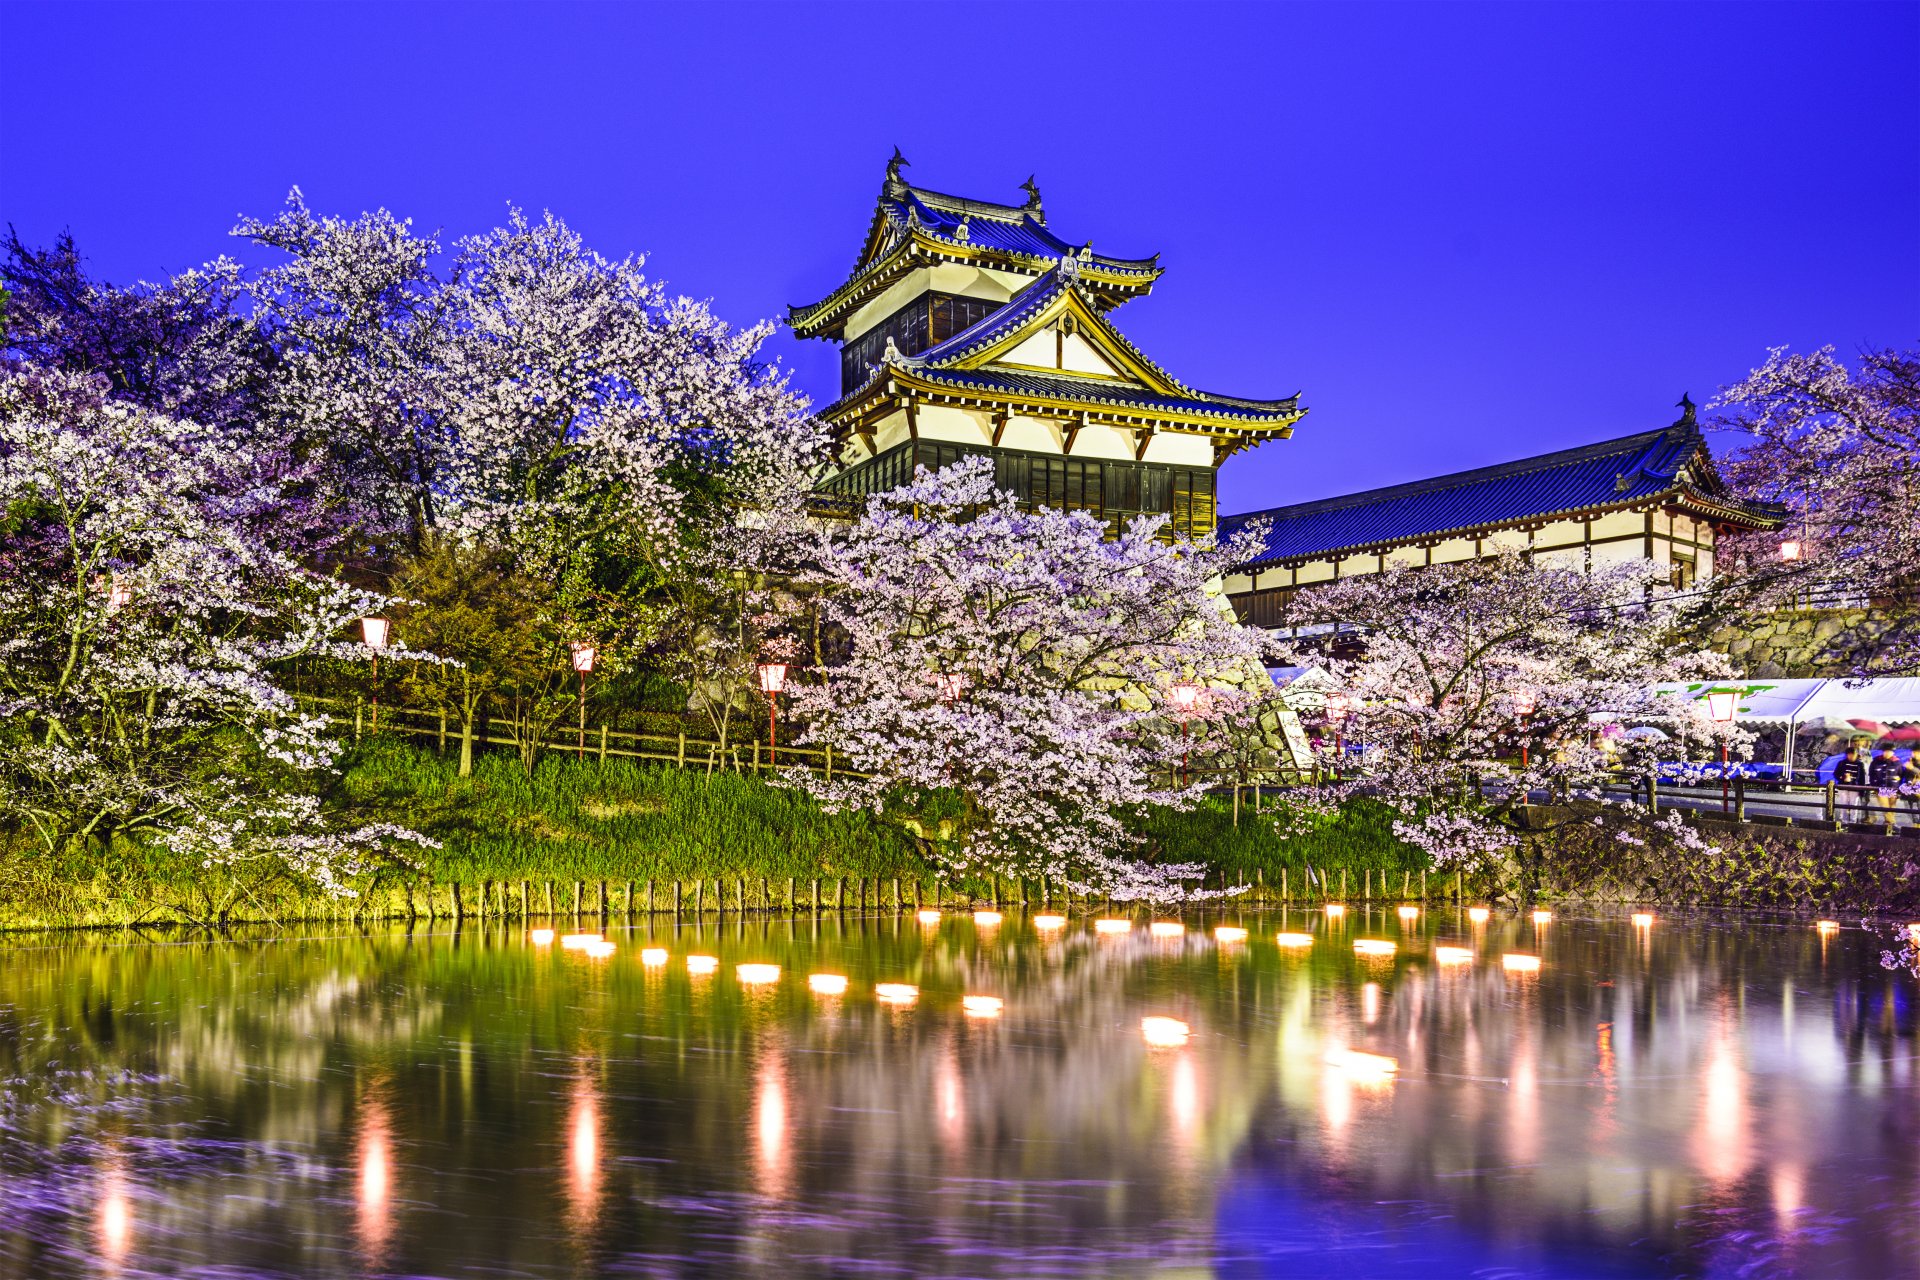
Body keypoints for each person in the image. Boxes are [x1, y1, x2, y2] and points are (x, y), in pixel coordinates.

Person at [1868, 744, 1905, 831]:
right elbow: (1871, 774)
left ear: (1893, 752)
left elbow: (1901, 774)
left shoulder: (1897, 762)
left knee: (1892, 807)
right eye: (1886, 751)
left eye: (1890, 752)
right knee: (1885, 806)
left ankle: (1887, 824)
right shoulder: (1876, 761)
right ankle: (1892, 823)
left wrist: (1899, 783)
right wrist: (1873, 785)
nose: (1888, 753)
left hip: (1893, 788)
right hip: (1880, 788)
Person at [1833, 743, 1870, 825]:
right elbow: (1836, 773)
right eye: (1849, 754)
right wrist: (1842, 777)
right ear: (1847, 755)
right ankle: (1844, 821)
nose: (1851, 756)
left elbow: (1862, 778)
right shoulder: (1841, 763)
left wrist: (1862, 789)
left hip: (1855, 787)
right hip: (1843, 786)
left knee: (1854, 805)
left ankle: (1853, 821)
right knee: (1844, 803)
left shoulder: (1860, 764)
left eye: (1853, 754)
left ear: (1856, 755)